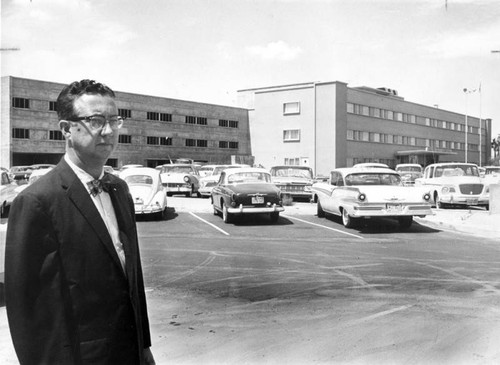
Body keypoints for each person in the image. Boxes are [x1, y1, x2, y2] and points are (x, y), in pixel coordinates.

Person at [5, 79, 155, 365]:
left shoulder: (119, 190)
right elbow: (28, 312)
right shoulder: (37, 202)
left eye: (114, 120)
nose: (109, 131)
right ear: (66, 129)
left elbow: (132, 280)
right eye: (96, 121)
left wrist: (144, 347)